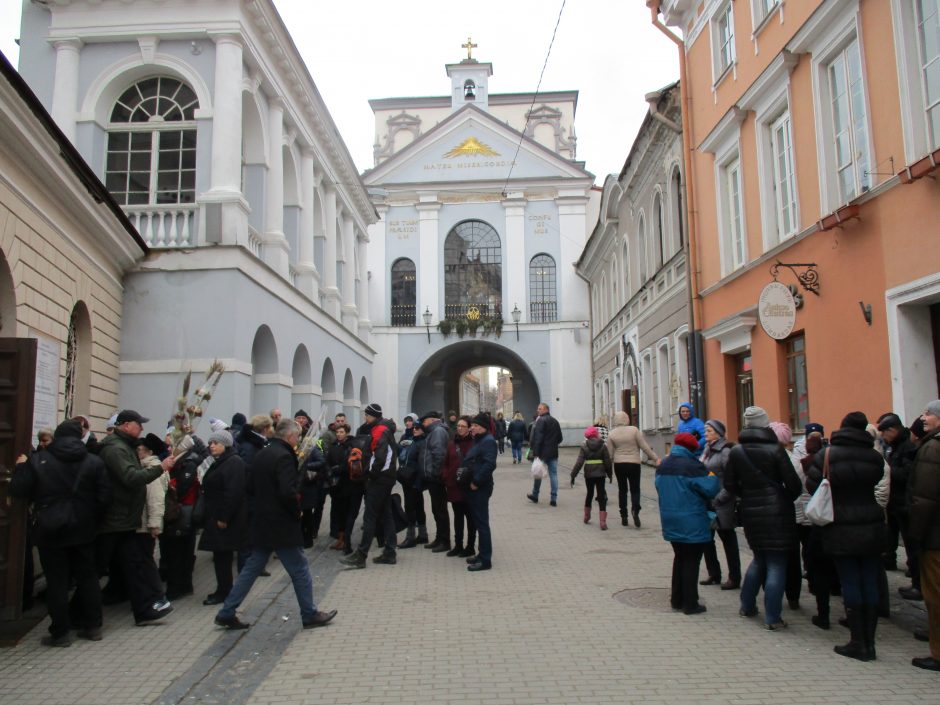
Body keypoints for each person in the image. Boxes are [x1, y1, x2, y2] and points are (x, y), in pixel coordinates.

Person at [214, 419, 336, 630]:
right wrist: (296, 511)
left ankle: (227, 611)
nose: (298, 441)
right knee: (300, 569)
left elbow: (250, 486)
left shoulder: (263, 453)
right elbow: (287, 491)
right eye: (297, 437)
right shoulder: (284, 457)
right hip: (281, 524)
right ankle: (309, 613)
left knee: (251, 568)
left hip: (262, 521)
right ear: (289, 436)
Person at [11, 420, 110, 646]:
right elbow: (105, 498)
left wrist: (20, 467)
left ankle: (60, 632)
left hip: (50, 528)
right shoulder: (94, 462)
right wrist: (92, 520)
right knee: (88, 577)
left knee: (56, 581)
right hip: (83, 528)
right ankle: (93, 626)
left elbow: (18, 489)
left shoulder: (38, 460)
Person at [805, 412, 887, 661]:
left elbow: (812, 485)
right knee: (869, 580)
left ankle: (857, 641)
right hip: (871, 523)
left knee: (850, 580)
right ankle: (870, 643)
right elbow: (878, 481)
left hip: (840, 523)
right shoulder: (874, 457)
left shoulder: (828, 454)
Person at [724, 406, 802, 631]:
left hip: (750, 511)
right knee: (777, 563)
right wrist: (782, 498)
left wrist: (747, 495)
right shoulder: (775, 450)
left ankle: (747, 606)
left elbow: (729, 484)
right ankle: (772, 617)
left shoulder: (737, 451)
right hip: (778, 513)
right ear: (765, 424)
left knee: (759, 558)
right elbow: (794, 484)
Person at [96, 410, 175, 626]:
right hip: (115, 520)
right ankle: (80, 617)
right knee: (96, 569)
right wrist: (161, 468)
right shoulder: (115, 449)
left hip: (125, 519)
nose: (141, 428)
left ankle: (144, 610)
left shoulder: (124, 446)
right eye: (139, 424)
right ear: (127, 425)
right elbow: (130, 477)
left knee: (134, 565)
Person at [655, 432, 720, 615]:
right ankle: (690, 603)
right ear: (692, 448)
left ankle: (677, 599)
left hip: (670, 518)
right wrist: (712, 474)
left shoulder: (664, 464)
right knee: (692, 560)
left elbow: (658, 486)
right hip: (692, 519)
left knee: (679, 558)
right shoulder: (694, 466)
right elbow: (711, 488)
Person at [340, 403, 399, 568]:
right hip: (385, 479)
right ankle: (389, 552)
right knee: (386, 515)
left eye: (367, 415)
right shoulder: (381, 429)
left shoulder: (379, 431)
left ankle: (361, 555)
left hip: (379, 480)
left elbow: (379, 457)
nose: (365, 418)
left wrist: (370, 475)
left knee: (370, 517)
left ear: (373, 416)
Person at [198, 430, 247, 606]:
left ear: (225, 445)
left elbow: (233, 493)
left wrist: (223, 517)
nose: (211, 446)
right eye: (210, 443)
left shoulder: (233, 463)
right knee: (220, 556)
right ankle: (223, 589)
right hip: (216, 515)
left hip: (225, 519)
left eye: (215, 443)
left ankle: (225, 591)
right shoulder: (220, 462)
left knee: (223, 556)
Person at [909, 400, 940, 671]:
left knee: (935, 595)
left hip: (935, 536)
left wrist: (915, 534)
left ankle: (938, 652)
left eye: (928, 413)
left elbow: (925, 497)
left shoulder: (932, 447)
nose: (923, 418)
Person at [878, 413, 920, 590]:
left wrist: (887, 471)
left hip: (904, 502)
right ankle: (892, 560)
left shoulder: (907, 446)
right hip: (896, 501)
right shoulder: (896, 445)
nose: (883, 438)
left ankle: (917, 582)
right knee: (892, 534)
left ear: (892, 430)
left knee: (911, 543)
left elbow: (908, 474)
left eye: (885, 433)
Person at [699, 419, 741, 590]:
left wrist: (721, 498)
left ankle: (734, 577)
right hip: (708, 501)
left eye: (709, 430)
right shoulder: (707, 449)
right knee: (707, 540)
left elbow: (732, 479)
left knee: (728, 539)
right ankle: (714, 573)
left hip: (722, 501)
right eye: (705, 430)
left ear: (718, 432)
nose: (706, 433)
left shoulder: (725, 451)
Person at [606, 411, 659, 528]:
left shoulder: (612, 434)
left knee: (622, 490)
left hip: (619, 464)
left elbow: (609, 454)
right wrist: (656, 459)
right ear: (627, 419)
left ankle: (623, 515)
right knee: (635, 489)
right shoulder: (634, 430)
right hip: (634, 463)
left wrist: (608, 469)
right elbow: (644, 447)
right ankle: (635, 509)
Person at [465, 413, 498, 571]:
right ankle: (481, 554)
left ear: (483, 427)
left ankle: (485, 560)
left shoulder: (489, 442)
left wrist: (476, 482)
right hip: (474, 486)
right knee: (478, 522)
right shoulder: (479, 440)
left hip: (480, 487)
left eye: (476, 426)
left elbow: (489, 464)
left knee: (482, 523)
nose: (473, 427)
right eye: (472, 425)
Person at [444, 416, 476, 557]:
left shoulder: (474, 444)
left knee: (470, 518)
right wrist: (445, 476)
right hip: (454, 486)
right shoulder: (452, 444)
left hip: (469, 487)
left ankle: (470, 547)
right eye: (458, 426)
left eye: (463, 426)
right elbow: (445, 462)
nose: (460, 428)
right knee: (457, 517)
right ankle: (458, 545)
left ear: (469, 428)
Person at [419, 411, 451, 553]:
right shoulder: (434, 431)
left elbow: (438, 454)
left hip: (436, 478)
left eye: (424, 421)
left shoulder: (437, 432)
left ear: (431, 420)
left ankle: (445, 541)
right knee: (436, 509)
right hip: (433, 477)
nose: (423, 424)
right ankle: (439, 538)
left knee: (440, 510)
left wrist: (435, 473)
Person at [570, 426, 613, 529]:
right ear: (596, 434)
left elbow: (579, 462)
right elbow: (607, 462)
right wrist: (610, 474)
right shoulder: (603, 446)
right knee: (601, 495)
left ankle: (586, 516)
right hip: (601, 474)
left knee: (590, 494)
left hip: (589, 474)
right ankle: (602, 522)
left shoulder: (584, 446)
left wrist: (573, 475)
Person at [526, 403, 563, 506]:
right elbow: (560, 438)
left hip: (542, 453)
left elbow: (538, 438)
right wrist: (553, 444)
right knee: (553, 475)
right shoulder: (555, 421)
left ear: (546, 409)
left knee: (538, 473)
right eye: (538, 408)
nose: (538, 410)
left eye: (540, 409)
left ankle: (535, 495)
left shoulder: (540, 421)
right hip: (553, 452)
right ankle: (553, 498)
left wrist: (536, 453)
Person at [397, 422, 427, 549]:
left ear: (423, 430)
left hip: (414, 481)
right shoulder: (412, 441)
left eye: (417, 428)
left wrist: (418, 482)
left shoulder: (421, 443)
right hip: (408, 480)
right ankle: (422, 535)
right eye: (413, 427)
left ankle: (411, 537)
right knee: (418, 506)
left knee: (410, 508)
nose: (414, 429)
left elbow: (421, 464)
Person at [326, 423, 353, 551]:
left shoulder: (350, 446)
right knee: (337, 512)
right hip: (335, 484)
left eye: (341, 432)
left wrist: (340, 469)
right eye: (337, 432)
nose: (339, 434)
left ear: (346, 433)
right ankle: (339, 538)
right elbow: (327, 460)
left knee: (345, 512)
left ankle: (345, 539)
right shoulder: (333, 446)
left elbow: (350, 463)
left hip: (346, 484)